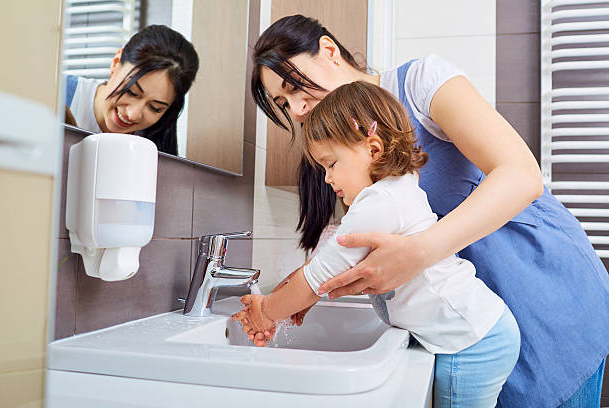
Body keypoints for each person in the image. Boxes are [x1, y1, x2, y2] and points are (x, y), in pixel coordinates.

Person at [249, 14, 609, 408]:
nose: (298, 109)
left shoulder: (419, 83)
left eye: (294, 86)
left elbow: (523, 176)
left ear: (330, 51)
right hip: (471, 312)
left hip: (540, 285)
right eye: (284, 103)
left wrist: (418, 252)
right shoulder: (346, 149)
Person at [233, 81, 521, 407]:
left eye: (331, 164)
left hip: (470, 342)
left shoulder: (380, 200)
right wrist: (300, 297)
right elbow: (330, 271)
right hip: (475, 331)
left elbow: (317, 277)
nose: (327, 178)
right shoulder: (396, 189)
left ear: (373, 149)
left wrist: (267, 311)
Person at [64, 24, 199, 155]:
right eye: (131, 92)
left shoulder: (152, 150)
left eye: (155, 108)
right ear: (116, 63)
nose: (133, 114)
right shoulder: (57, 93)